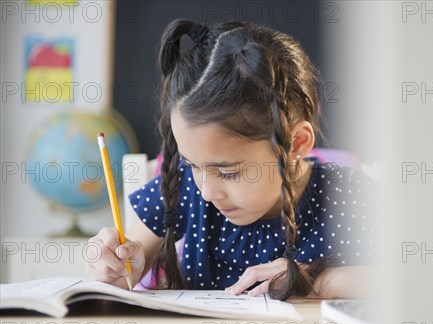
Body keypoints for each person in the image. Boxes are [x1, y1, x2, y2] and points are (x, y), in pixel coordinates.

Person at [85, 19, 378, 300]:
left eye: (228, 173)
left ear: (296, 143)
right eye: (193, 164)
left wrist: (312, 279)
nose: (207, 192)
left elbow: (411, 280)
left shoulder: (351, 200)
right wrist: (115, 266)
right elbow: (130, 268)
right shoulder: (185, 187)